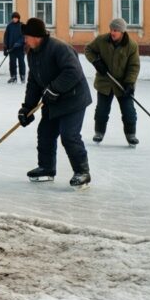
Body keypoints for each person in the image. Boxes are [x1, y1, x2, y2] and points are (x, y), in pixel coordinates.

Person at [16, 17, 92, 188]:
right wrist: (27, 108)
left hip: (73, 99)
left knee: (69, 135)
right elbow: (34, 82)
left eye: (26, 36)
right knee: (45, 133)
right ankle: (46, 168)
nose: (25, 40)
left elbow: (73, 72)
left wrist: (54, 88)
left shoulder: (59, 48)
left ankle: (82, 172)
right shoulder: (32, 53)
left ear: (36, 36)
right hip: (53, 100)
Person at [84, 18, 141, 146]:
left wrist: (129, 83)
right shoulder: (101, 40)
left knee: (129, 111)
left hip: (123, 84)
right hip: (105, 82)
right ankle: (99, 132)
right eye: (111, 30)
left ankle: (131, 135)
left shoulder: (131, 45)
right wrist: (96, 62)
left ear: (122, 31)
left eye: (115, 30)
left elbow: (134, 66)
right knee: (101, 111)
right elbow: (88, 49)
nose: (112, 33)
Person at [3, 12, 25, 84]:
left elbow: (23, 37)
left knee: (21, 62)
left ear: (18, 18)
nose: (14, 19)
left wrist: (18, 43)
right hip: (11, 49)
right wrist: (5, 47)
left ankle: (22, 76)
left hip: (20, 49)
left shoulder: (22, 26)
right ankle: (13, 76)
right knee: (12, 63)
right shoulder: (9, 26)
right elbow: (6, 37)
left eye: (16, 18)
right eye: (13, 18)